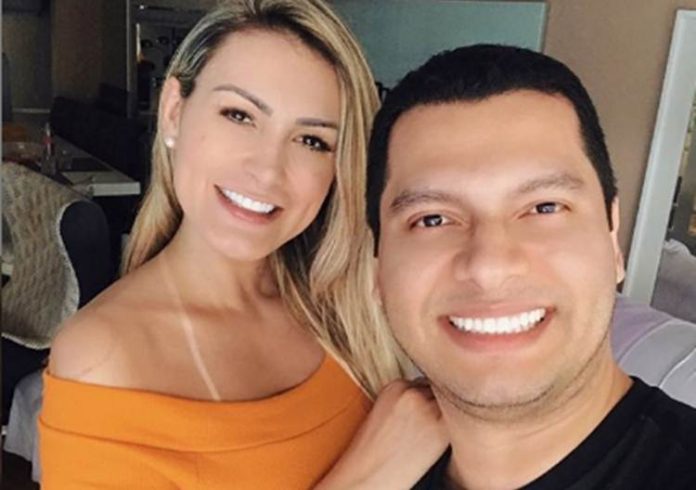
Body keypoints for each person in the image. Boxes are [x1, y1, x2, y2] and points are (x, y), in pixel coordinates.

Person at [40, 1, 446, 488]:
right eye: (239, 115)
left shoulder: (349, 308)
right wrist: (372, 475)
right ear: (174, 112)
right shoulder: (103, 357)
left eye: (312, 140)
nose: (267, 171)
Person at [365, 44, 696, 489]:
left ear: (611, 237)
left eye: (544, 207)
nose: (489, 267)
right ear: (377, 267)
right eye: (433, 219)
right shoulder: (361, 454)